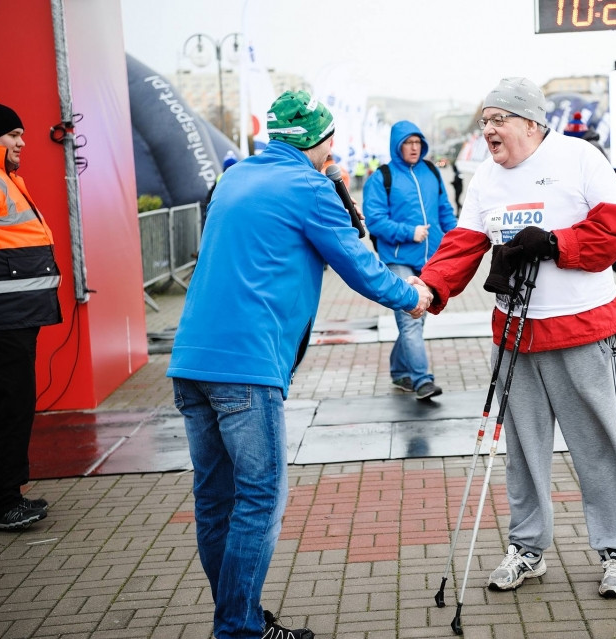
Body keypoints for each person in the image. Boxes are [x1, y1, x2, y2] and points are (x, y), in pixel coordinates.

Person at [167, 90, 432, 639]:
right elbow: (360, 265)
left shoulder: (237, 176)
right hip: (246, 366)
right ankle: (238, 628)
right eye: (330, 139)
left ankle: (237, 618)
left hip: (191, 359)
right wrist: (411, 296)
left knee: (215, 499)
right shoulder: (310, 186)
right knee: (259, 497)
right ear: (319, 141)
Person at [420, 77, 616, 598]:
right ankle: (527, 548)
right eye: (485, 121)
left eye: (499, 119)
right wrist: (430, 286)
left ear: (531, 123)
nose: (489, 130)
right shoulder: (485, 179)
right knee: (521, 450)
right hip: (515, 335)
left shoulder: (578, 158)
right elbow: (463, 243)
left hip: (581, 328)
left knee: (598, 446)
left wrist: (557, 243)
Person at [0, 90, 60, 531]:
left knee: (3, 407)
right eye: (13, 134)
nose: (22, 142)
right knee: (4, 409)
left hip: (7, 318)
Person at [363, 121, 457, 400]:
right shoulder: (381, 178)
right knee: (411, 320)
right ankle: (421, 380)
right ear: (397, 145)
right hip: (398, 259)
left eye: (418, 142)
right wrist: (409, 232)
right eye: (408, 143)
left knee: (417, 319)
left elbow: (445, 212)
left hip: (429, 260)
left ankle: (398, 371)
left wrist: (456, 242)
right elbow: (375, 222)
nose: (414, 148)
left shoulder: (430, 171)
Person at [563, 111, 616, 296]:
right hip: (593, 204)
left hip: (596, 206)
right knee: (603, 254)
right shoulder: (590, 144)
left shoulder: (588, 148)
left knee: (602, 253)